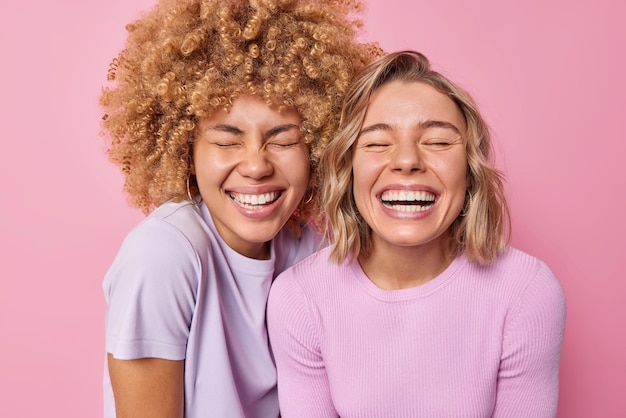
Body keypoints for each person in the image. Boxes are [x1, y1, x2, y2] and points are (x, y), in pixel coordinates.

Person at [99, 0, 380, 416]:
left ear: (319, 148)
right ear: (184, 150)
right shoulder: (162, 256)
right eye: (227, 142)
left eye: (284, 141)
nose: (255, 165)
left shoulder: (316, 250)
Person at [267, 50, 567, 417]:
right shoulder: (299, 300)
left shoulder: (526, 292)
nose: (407, 160)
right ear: (347, 170)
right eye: (377, 142)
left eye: (438, 142)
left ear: (470, 170)